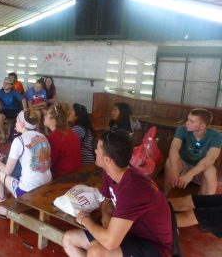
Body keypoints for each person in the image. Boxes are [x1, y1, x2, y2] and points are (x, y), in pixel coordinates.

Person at [62, 129, 172, 257]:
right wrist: (105, 215)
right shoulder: (111, 172)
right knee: (69, 239)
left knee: (96, 252)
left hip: (153, 247)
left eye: (98, 149)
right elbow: (106, 198)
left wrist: (84, 219)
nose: (95, 151)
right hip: (128, 233)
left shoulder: (133, 189)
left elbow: (110, 243)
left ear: (108, 160)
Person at [0, 109, 52, 218]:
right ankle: (8, 199)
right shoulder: (43, 137)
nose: (15, 123)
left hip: (27, 192)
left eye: (17, 121)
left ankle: (4, 207)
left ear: (22, 124)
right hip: (46, 187)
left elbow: (8, 170)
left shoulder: (19, 140)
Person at [164, 108, 222, 195]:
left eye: (191, 121)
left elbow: (210, 158)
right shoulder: (182, 129)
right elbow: (174, 148)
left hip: (199, 170)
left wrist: (190, 174)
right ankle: (165, 196)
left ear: (202, 126)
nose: (187, 122)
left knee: (210, 171)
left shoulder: (216, 136)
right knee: (170, 162)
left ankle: (206, 202)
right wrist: (174, 168)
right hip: (184, 165)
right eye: (188, 119)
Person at [44, 102, 82, 178]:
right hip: (77, 172)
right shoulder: (71, 133)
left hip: (63, 178)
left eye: (46, 115)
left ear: (54, 119)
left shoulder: (54, 138)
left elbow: (49, 164)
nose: (44, 117)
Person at [0, 77, 27, 143]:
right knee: (0, 117)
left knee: (21, 118)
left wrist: (25, 109)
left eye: (7, 83)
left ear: (11, 85)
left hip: (15, 110)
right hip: (5, 110)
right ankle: (3, 136)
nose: (4, 84)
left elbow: (23, 99)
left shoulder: (14, 92)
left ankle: (21, 136)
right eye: (4, 82)